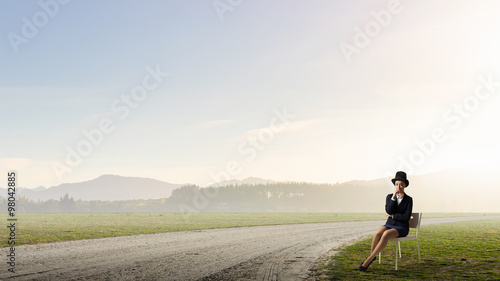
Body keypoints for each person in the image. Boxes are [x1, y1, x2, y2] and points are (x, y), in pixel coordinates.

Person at [359, 171, 413, 271]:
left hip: (402, 227)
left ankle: (368, 260)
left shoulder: (409, 199)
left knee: (385, 234)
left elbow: (406, 217)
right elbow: (388, 210)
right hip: (390, 224)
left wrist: (392, 215)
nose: (399, 186)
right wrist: (393, 198)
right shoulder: (389, 197)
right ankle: (373, 256)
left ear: (405, 185)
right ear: (395, 185)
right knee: (378, 232)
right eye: (397, 184)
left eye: (401, 184)